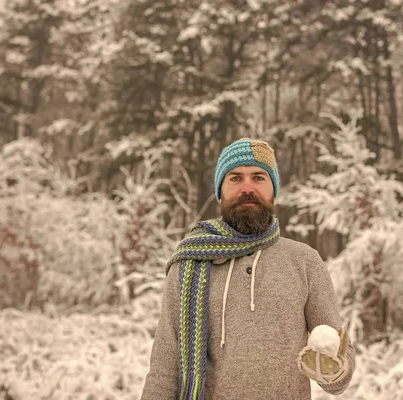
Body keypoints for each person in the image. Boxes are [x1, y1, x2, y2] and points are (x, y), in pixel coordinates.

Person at [141, 138, 355, 400]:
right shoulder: (189, 263)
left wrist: (332, 368)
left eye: (258, 177)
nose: (247, 188)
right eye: (235, 178)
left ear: (273, 190)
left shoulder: (304, 261)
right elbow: (164, 367)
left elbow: (338, 361)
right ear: (221, 190)